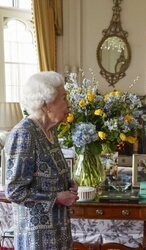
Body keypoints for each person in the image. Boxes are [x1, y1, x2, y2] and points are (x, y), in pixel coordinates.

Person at [4, 71, 79, 250]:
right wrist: (56, 198)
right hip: (35, 238)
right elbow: (14, 191)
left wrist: (69, 184)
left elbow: (48, 176)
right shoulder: (24, 134)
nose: (68, 104)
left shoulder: (50, 132)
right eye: (64, 98)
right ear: (46, 104)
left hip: (58, 232)